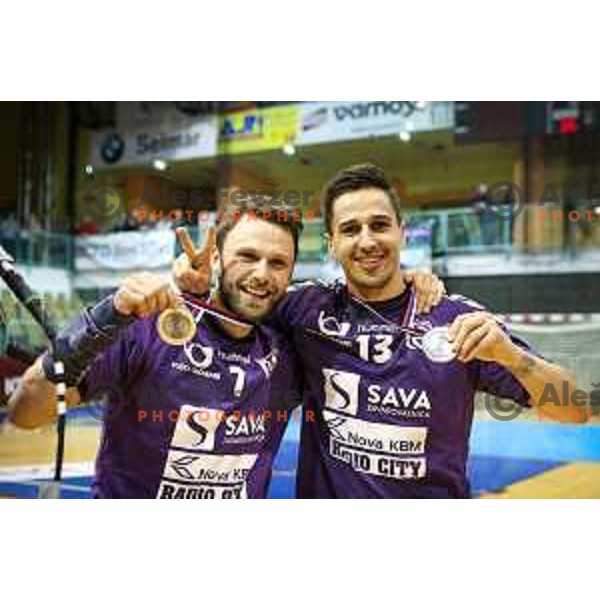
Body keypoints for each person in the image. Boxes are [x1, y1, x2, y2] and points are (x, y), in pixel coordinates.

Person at [174, 164, 586, 499]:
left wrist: (515, 358)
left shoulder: (459, 321)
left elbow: (575, 409)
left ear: (402, 232)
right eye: (351, 229)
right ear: (332, 243)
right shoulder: (303, 308)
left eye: (379, 225)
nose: (367, 241)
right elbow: (237, 306)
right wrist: (198, 288)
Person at [8, 207, 304, 499]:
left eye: (278, 263)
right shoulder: (147, 326)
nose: (262, 274)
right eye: (247, 256)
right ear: (216, 258)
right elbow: (25, 413)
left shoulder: (291, 355)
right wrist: (108, 315)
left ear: (291, 275)